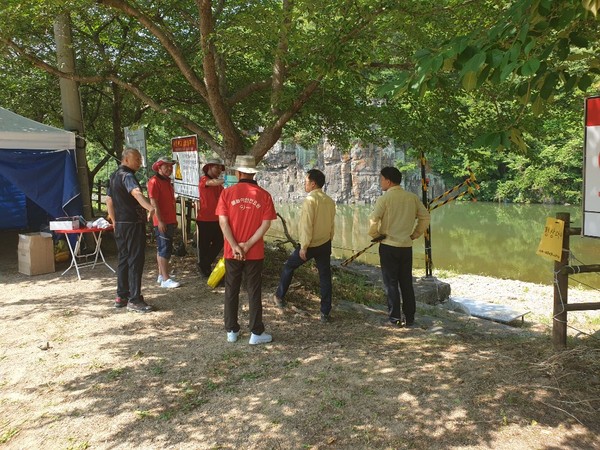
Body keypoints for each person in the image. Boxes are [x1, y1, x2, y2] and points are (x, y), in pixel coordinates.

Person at [216, 155, 277, 345]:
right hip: (254, 252)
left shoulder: (227, 193)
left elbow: (223, 222)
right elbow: (265, 224)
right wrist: (247, 245)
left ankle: (231, 331)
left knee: (231, 289)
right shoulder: (264, 195)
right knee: (253, 290)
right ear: (252, 173)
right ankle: (256, 332)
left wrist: (235, 246)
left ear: (238, 172)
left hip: (231, 251)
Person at [368, 167, 430, 327]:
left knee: (391, 283)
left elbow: (373, 221)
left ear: (388, 180)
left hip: (388, 245)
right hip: (405, 246)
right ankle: (410, 318)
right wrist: (414, 235)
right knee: (406, 282)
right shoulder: (412, 198)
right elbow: (425, 217)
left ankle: (395, 318)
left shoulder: (385, 199)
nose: (380, 182)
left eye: (381, 179)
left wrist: (375, 235)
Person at [273, 169, 336, 322]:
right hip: (325, 243)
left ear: (313, 183)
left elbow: (307, 225)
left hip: (311, 244)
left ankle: (279, 296)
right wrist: (329, 240)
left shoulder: (310, 200)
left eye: (306, 181)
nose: (304, 184)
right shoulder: (329, 200)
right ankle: (325, 313)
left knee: (289, 266)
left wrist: (304, 246)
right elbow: (332, 225)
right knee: (325, 277)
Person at [106, 148, 155, 313]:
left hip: (120, 224)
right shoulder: (127, 176)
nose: (140, 162)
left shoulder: (113, 176)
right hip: (132, 223)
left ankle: (121, 296)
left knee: (123, 259)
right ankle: (134, 299)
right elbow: (136, 193)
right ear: (126, 159)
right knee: (135, 260)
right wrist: (150, 208)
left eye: (140, 159)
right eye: (137, 159)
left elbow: (109, 201)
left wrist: (114, 221)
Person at [148, 156, 180, 289]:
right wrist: (160, 221)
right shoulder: (154, 181)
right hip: (162, 221)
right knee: (165, 249)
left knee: (162, 247)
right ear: (159, 167)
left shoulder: (167, 182)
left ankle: (161, 275)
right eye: (166, 166)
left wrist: (174, 219)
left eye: (170, 166)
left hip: (170, 219)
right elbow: (153, 202)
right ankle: (166, 279)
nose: (169, 168)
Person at [196, 158, 225, 278]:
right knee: (204, 245)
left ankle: (203, 264)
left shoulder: (219, 185)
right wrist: (227, 180)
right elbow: (211, 183)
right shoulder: (204, 180)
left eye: (220, 168)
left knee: (219, 242)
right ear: (209, 168)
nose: (219, 170)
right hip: (204, 218)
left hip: (217, 218)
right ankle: (205, 269)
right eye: (216, 167)